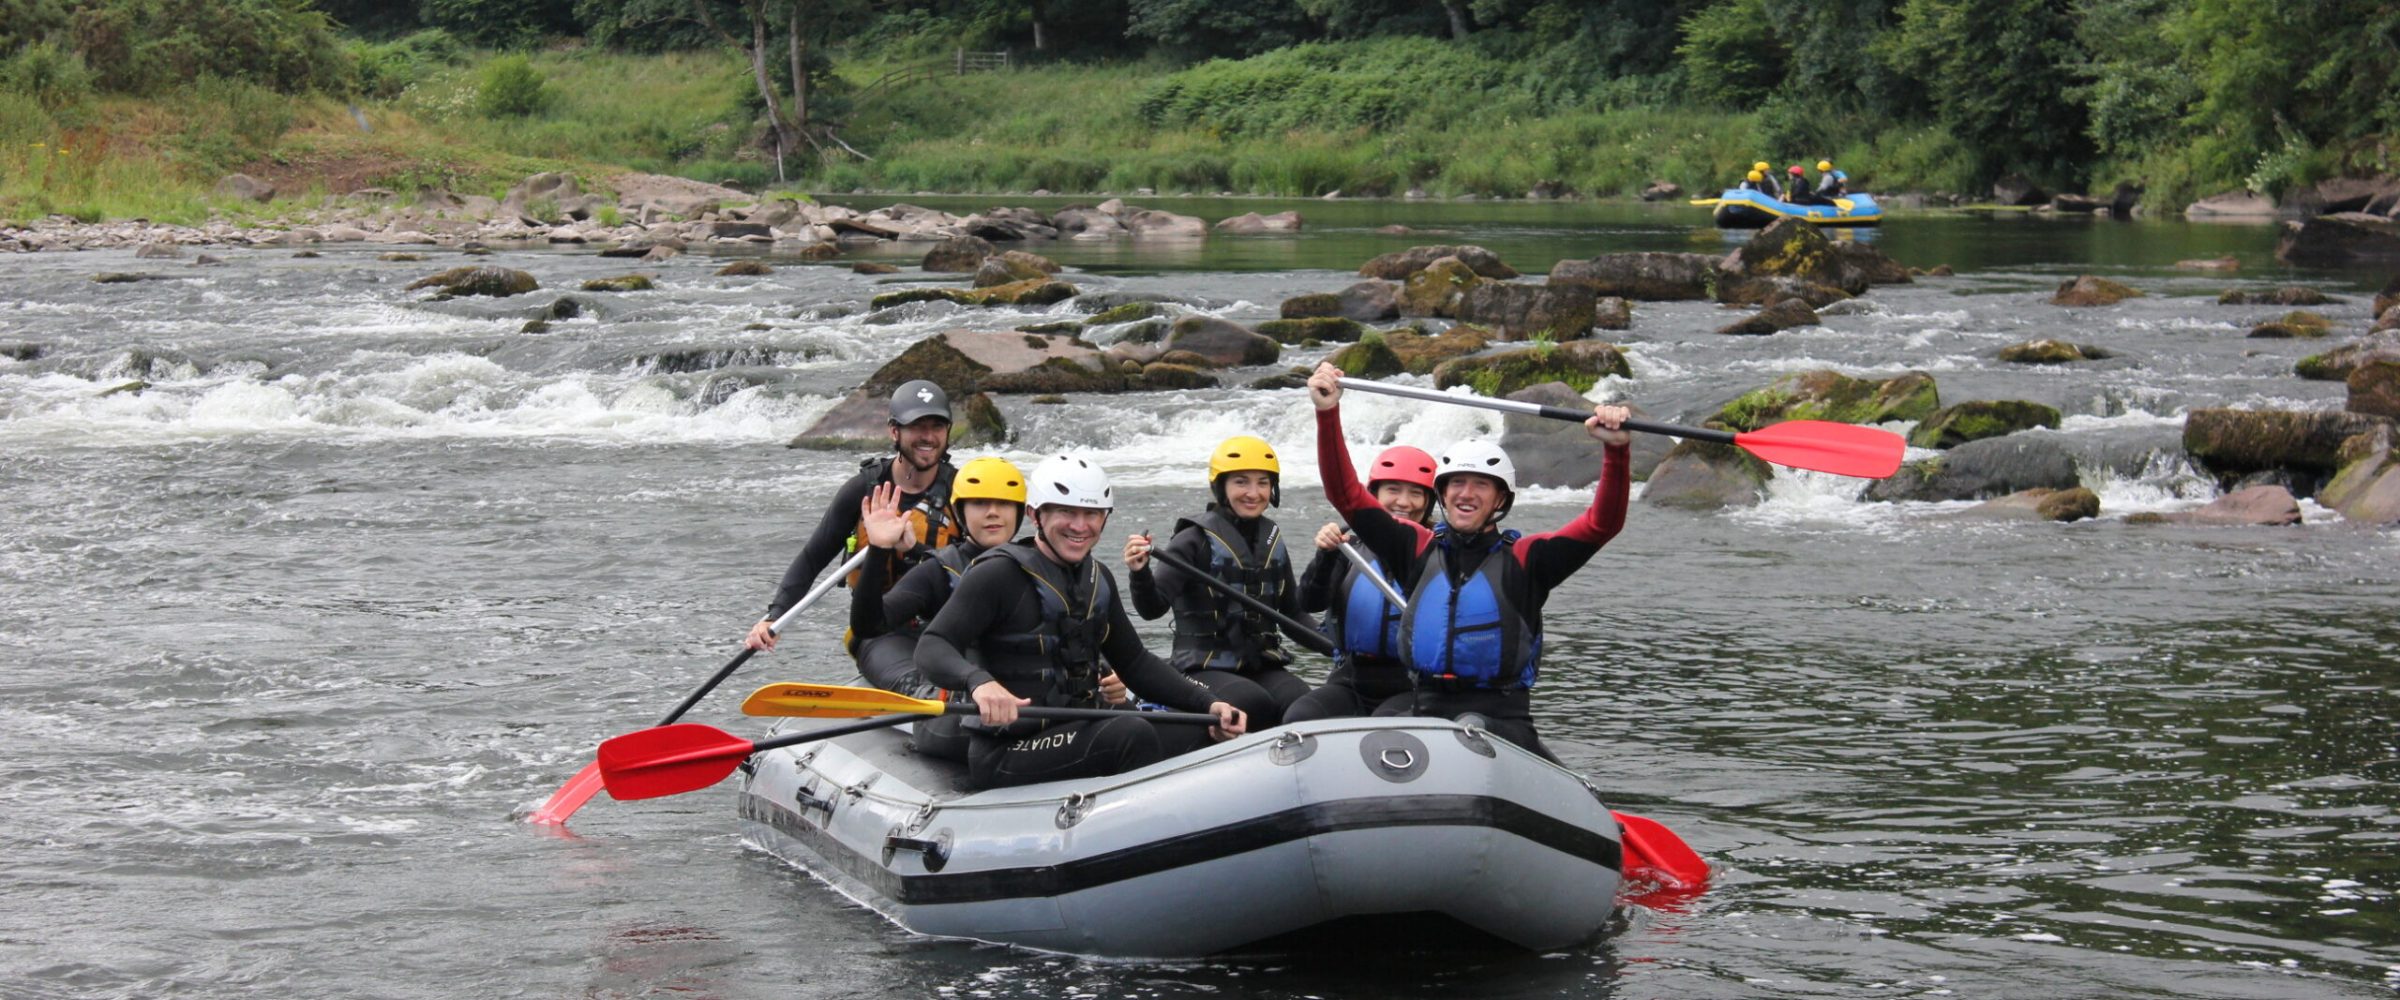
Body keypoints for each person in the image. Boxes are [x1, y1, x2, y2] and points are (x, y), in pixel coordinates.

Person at [1305, 362, 1631, 761]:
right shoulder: (1417, 549)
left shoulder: (1528, 560)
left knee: (1466, 737)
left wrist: (1616, 451)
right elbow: (1347, 495)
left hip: (1502, 717)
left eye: (1481, 485)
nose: (1466, 493)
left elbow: (1602, 524)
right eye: (1456, 482)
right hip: (1426, 706)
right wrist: (1328, 412)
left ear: (1500, 500)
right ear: (1442, 494)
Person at [916, 454, 1248, 790]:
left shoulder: (1098, 578)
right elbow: (933, 644)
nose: (1080, 525)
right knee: (1129, 734)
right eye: (1066, 512)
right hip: (1007, 749)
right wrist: (978, 682)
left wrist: (1209, 704)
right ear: (1035, 515)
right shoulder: (998, 574)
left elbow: (1135, 662)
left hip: (1080, 727)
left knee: (1200, 726)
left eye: (1091, 514)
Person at [745, 380, 959, 652]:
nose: (928, 437)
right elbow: (812, 559)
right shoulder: (862, 490)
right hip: (879, 628)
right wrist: (774, 617)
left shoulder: (961, 492)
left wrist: (915, 549)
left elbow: (977, 570)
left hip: (948, 626)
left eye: (937, 426)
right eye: (918, 426)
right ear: (894, 431)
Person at [1124, 436, 1319, 728]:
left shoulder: (1271, 540)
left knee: (1304, 705)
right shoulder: (1192, 540)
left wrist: (1336, 647)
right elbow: (1152, 608)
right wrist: (1140, 573)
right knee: (1253, 703)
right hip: (1200, 669)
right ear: (1221, 486)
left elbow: (1292, 613)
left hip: (1260, 665)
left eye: (1263, 483)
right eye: (1241, 482)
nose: (1253, 493)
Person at [847, 457, 1032, 761]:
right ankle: (925, 697)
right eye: (980, 504)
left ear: (1020, 512)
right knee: (916, 683)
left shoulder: (1039, 564)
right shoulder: (939, 568)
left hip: (992, 669)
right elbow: (869, 624)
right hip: (912, 651)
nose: (993, 513)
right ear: (960, 511)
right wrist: (880, 550)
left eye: (1004, 504)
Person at [1284, 445, 1437, 725]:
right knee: (1299, 718)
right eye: (1393, 490)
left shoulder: (1439, 554)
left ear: (1429, 502)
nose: (1404, 502)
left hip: (1412, 684)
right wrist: (1327, 556)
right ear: (1373, 495)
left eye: (1415, 493)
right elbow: (1309, 602)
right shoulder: (1350, 547)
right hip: (1352, 678)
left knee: (1380, 730)